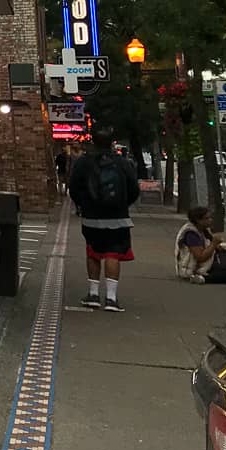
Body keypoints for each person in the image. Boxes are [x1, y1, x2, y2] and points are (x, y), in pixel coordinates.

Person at [68, 125, 140, 311]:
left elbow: (74, 188)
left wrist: (83, 206)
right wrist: (123, 205)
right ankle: (111, 298)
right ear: (112, 141)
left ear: (93, 140)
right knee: (113, 254)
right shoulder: (123, 163)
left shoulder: (83, 162)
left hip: (91, 216)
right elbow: (134, 189)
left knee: (93, 252)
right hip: (118, 216)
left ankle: (93, 294)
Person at [176, 207, 226, 284]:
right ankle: (203, 278)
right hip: (198, 268)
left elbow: (208, 246)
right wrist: (214, 243)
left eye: (210, 217)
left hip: (209, 260)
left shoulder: (202, 230)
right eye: (207, 218)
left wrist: (217, 246)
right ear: (198, 220)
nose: (210, 220)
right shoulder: (191, 234)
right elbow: (200, 257)